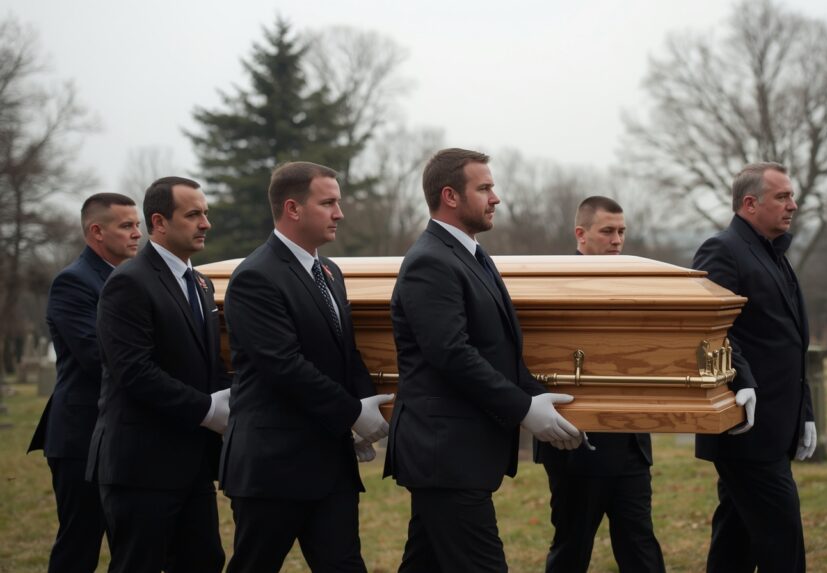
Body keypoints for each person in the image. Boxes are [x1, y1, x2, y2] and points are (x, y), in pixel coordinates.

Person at [385, 148, 583, 572]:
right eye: (485, 188)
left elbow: (498, 351)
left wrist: (535, 394)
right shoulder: (431, 262)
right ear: (450, 196)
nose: (496, 198)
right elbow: (451, 354)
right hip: (446, 455)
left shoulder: (471, 255)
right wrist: (524, 408)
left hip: (453, 454)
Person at [221, 161, 393, 572]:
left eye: (338, 202)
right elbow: (283, 365)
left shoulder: (329, 272)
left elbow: (343, 352)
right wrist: (352, 413)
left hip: (329, 463)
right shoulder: (255, 276)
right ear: (293, 208)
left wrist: (366, 406)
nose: (339, 213)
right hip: (273, 465)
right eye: (328, 202)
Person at [87, 177, 231, 573]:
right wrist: (206, 409)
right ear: (159, 222)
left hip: (191, 463)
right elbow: (134, 371)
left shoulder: (199, 283)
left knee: (205, 561)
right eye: (193, 214)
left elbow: (209, 364)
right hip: (141, 465)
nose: (206, 224)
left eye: (206, 213)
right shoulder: (129, 283)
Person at [691, 162, 816, 572]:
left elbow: (789, 344)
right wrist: (742, 379)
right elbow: (711, 327)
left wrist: (806, 413)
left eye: (791, 196)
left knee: (736, 539)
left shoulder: (773, 253)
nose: (793, 205)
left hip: (774, 423)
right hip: (745, 427)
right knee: (783, 542)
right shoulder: (723, 249)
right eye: (782, 197)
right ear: (750, 203)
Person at [533, 196, 665, 572]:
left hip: (631, 443)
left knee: (641, 546)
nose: (617, 240)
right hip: (574, 443)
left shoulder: (636, 278)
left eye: (622, 231)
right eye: (607, 231)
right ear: (581, 234)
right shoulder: (554, 284)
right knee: (572, 547)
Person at [27, 193, 141, 573]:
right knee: (79, 545)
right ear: (96, 231)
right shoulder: (74, 283)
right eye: (126, 225)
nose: (136, 234)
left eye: (137, 224)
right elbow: (99, 357)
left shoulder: (129, 278)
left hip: (120, 433)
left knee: (130, 545)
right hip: (81, 435)